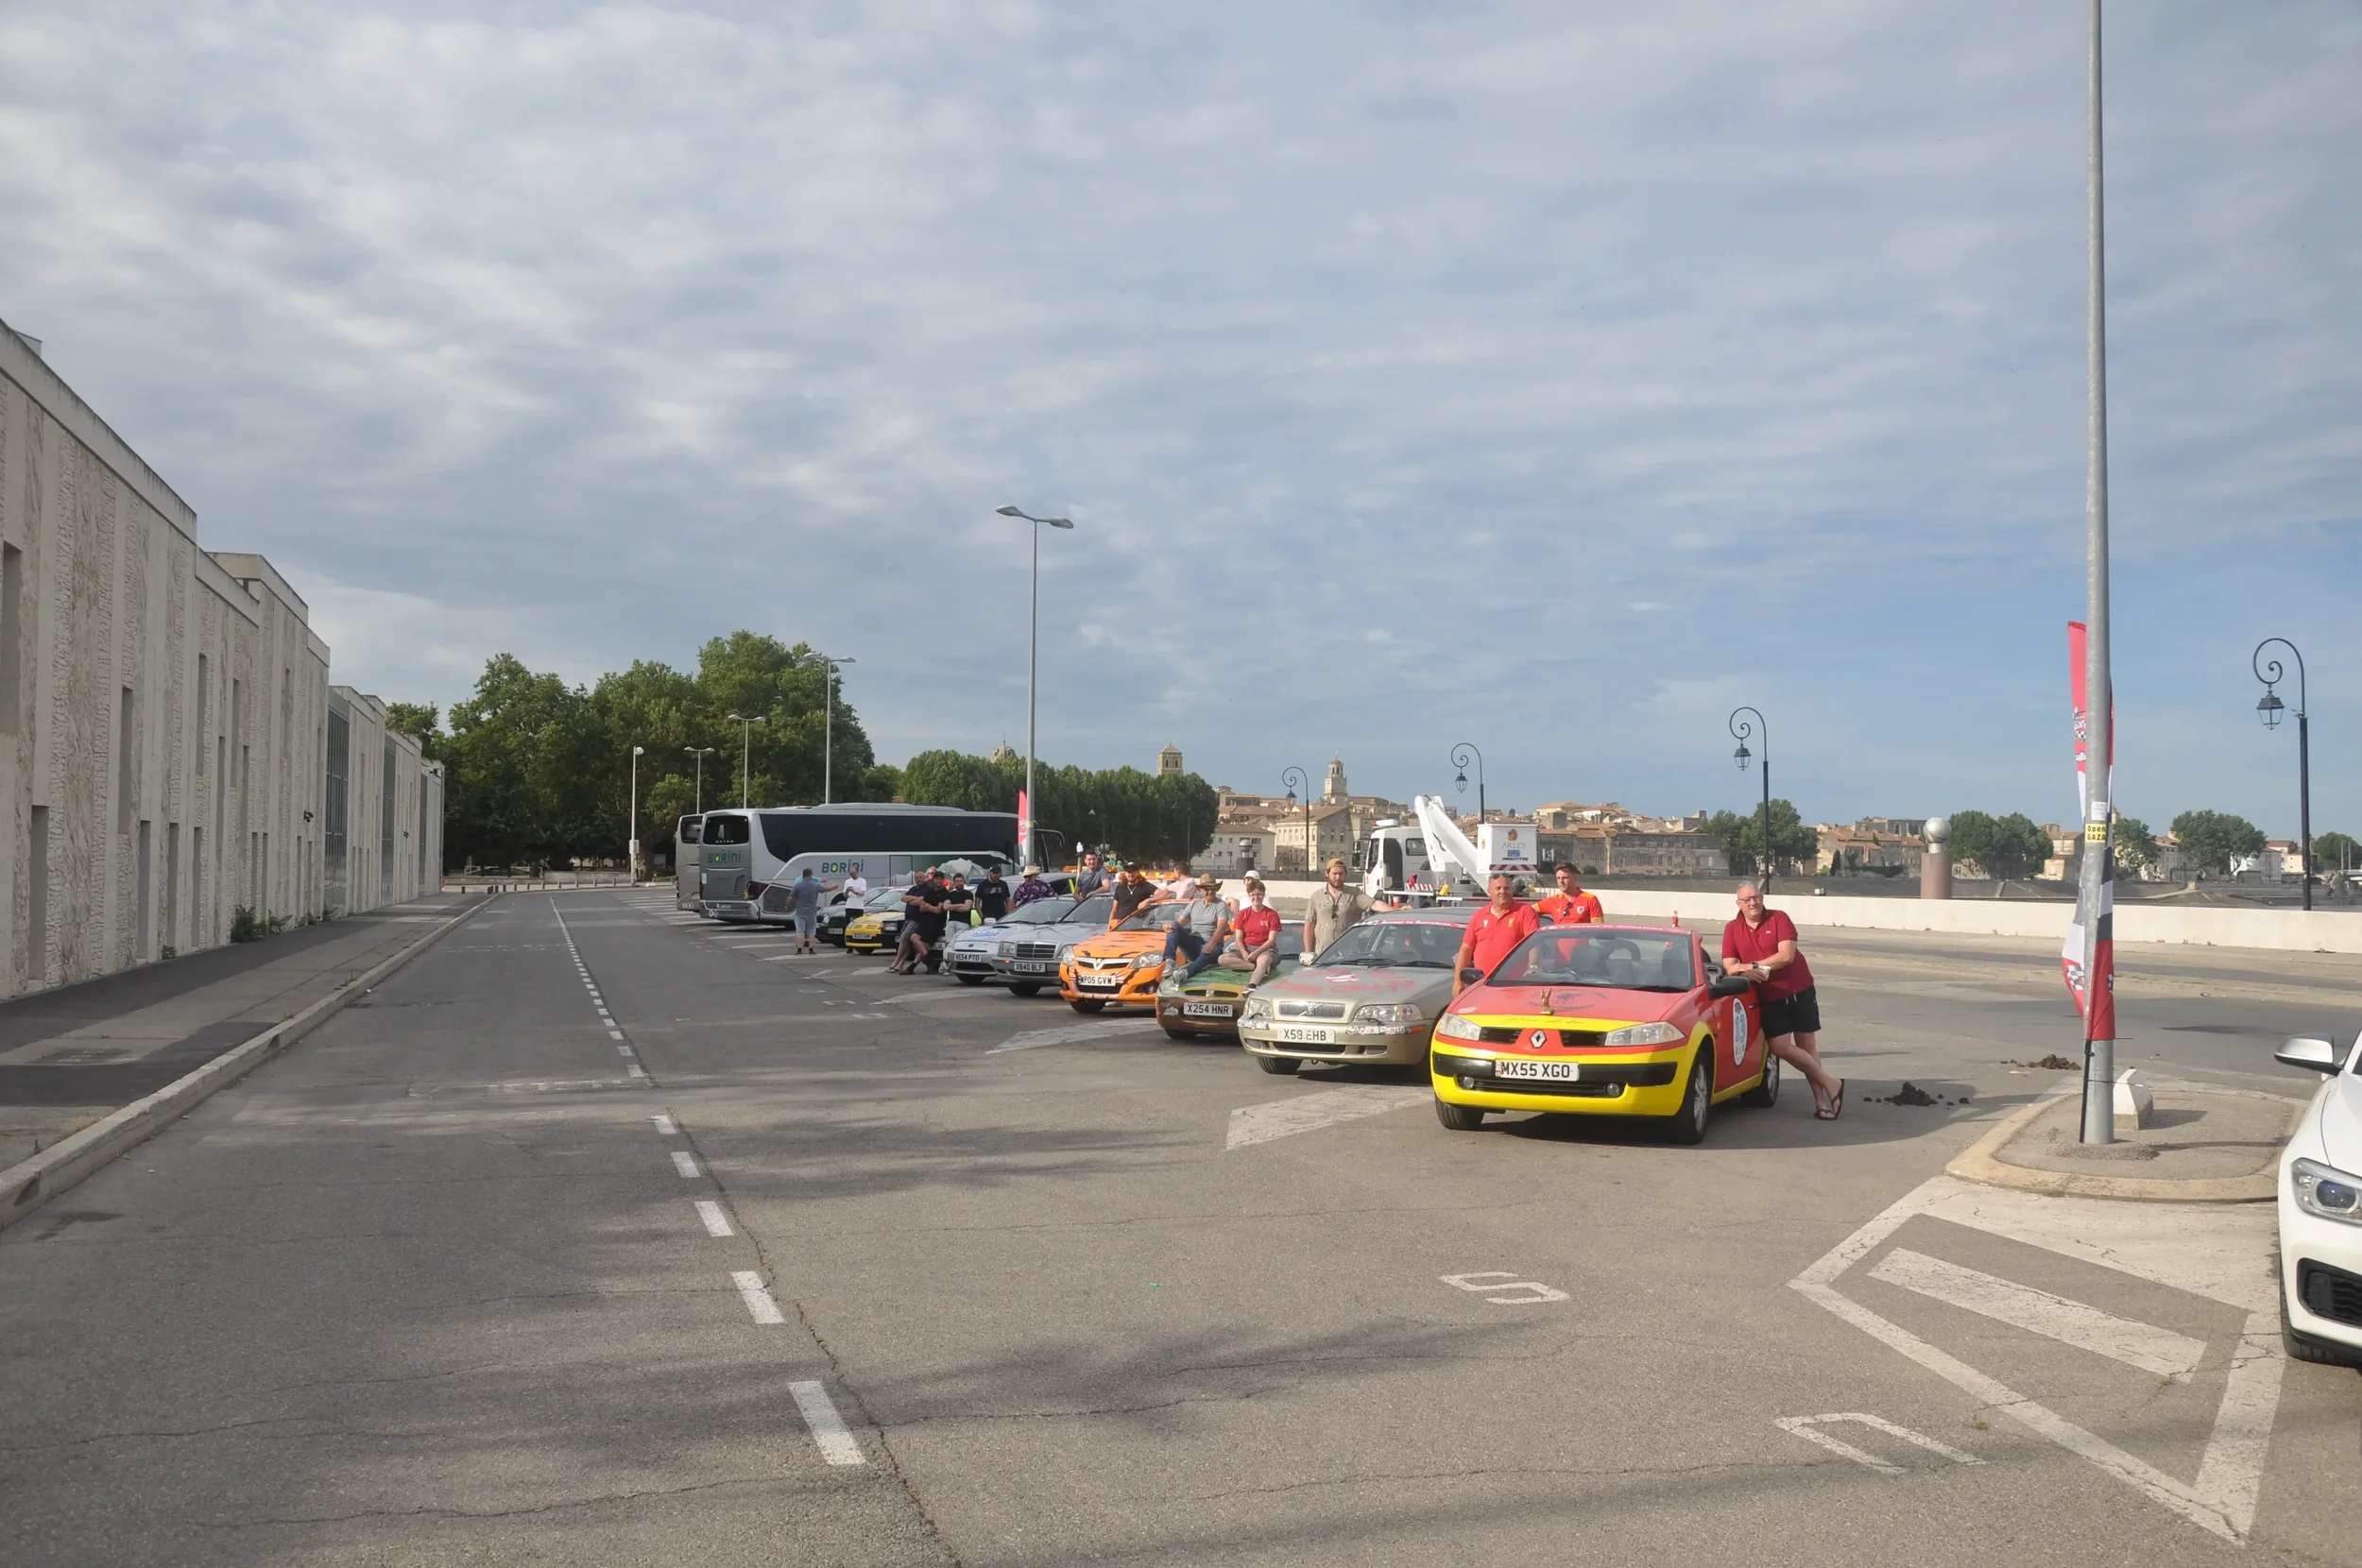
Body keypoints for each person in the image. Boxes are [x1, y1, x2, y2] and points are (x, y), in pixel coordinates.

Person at [1723, 883, 1843, 1119]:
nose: (1752, 903)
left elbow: (1786, 956)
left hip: (1799, 989)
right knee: (1778, 1047)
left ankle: (1821, 1102)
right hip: (1769, 996)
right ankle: (1832, 1083)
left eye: (1756, 897)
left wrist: (1751, 967)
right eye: (1746, 900)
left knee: (1807, 1046)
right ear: (1738, 904)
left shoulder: (1779, 919)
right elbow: (1729, 966)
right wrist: (1743, 973)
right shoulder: (1732, 929)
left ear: (1762, 898)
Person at [1455, 872, 1541, 995]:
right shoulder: (1479, 916)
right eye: (1498, 888)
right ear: (1489, 891)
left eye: (1506, 888)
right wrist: (1458, 981)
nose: (1503, 891)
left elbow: (1534, 944)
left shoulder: (1525, 912)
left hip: (1514, 985)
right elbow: (1466, 949)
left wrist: (1533, 967)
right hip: (1482, 985)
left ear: (1512, 890)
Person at [1162, 876, 1232, 981]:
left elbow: (1221, 927)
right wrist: (1165, 926)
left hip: (1211, 944)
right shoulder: (1194, 904)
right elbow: (1179, 923)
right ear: (1200, 890)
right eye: (1207, 889)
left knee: (1213, 949)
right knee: (1173, 926)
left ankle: (1186, 972)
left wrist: (1211, 944)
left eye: (1213, 888)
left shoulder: (1221, 905)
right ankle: (1170, 961)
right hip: (1194, 943)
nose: (1210, 892)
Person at [1303, 857, 1374, 962]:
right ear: (1327, 874)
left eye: (1341, 874)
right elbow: (1309, 925)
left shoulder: (1354, 894)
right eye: (1335, 874)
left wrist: (1397, 910)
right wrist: (1308, 953)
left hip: (1348, 956)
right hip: (1322, 956)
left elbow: (1374, 904)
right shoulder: (1316, 897)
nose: (1338, 877)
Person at [1222, 877, 1283, 984]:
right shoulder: (1242, 914)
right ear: (1249, 896)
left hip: (1265, 949)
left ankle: (1252, 986)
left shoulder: (1272, 914)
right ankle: (1253, 967)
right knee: (1222, 959)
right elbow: (1238, 938)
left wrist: (1256, 953)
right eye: (1253, 895)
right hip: (1246, 948)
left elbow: (1271, 940)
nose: (1256, 897)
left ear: (1264, 895)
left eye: (1259, 894)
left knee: (1263, 961)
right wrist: (1244, 952)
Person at [889, 871, 947, 974]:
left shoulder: (944, 893)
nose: (938, 881)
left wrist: (927, 906)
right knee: (913, 938)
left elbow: (938, 910)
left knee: (916, 942)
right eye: (936, 879)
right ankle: (928, 959)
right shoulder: (929, 892)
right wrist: (924, 904)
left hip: (936, 923)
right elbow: (921, 907)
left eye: (940, 879)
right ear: (934, 880)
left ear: (943, 880)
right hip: (926, 921)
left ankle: (910, 967)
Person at [1536, 861, 1604, 926]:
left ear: (1575, 878)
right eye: (1558, 878)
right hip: (1559, 938)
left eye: (1565, 878)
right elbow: (1528, 910)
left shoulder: (1590, 900)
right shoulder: (1553, 900)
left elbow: (1597, 929)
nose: (1561, 882)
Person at [790, 866, 825, 954]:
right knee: (811, 931)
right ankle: (811, 949)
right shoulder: (815, 885)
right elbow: (825, 889)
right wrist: (833, 887)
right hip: (811, 912)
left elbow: (791, 897)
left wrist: (788, 904)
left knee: (799, 931)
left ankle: (799, 950)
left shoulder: (797, 884)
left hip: (800, 911)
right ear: (811, 875)